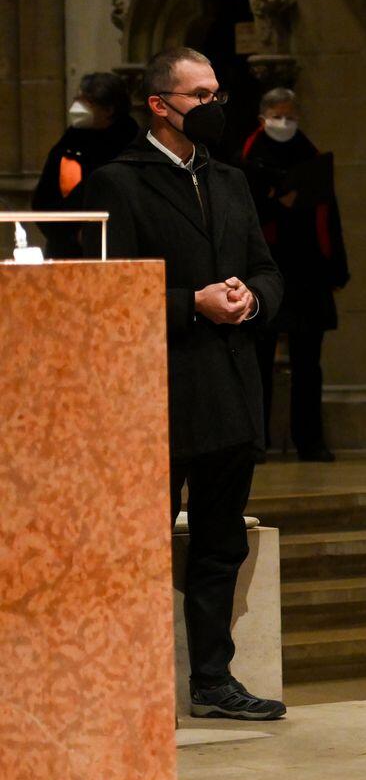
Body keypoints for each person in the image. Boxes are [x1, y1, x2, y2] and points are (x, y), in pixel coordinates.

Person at [72, 46, 287, 721]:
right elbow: (100, 295)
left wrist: (250, 298)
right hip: (157, 392)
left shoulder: (230, 181)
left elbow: (268, 269)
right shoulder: (118, 182)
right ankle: (120, 683)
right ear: (160, 105)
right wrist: (191, 303)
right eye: (200, 95)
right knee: (139, 544)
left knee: (221, 542)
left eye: (217, 92)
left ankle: (213, 680)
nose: (214, 106)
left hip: (229, 388)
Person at [241, 87, 348, 462]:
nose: (284, 122)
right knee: (258, 360)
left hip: (307, 272)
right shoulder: (248, 158)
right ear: (263, 118)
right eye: (278, 116)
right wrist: (276, 204)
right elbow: (243, 215)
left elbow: (329, 215)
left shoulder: (310, 155)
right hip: (264, 270)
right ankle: (256, 440)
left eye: (290, 116)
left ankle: (310, 440)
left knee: (308, 363)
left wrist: (336, 268)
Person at [32, 72, 140, 258]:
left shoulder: (132, 144)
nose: (77, 106)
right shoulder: (70, 141)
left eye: (87, 101)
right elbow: (43, 199)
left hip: (118, 249)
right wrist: (70, 234)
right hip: (67, 248)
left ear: (109, 109)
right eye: (77, 98)